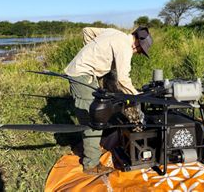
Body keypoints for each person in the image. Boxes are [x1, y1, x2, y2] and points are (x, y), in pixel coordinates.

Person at [64, 26, 153, 175]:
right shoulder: (125, 48)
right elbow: (123, 79)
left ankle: (91, 148)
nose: (137, 53)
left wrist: (93, 54)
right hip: (82, 75)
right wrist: (137, 97)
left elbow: (87, 31)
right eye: (139, 51)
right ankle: (91, 164)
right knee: (95, 117)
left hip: (82, 72)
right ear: (136, 44)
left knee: (94, 114)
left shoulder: (114, 32)